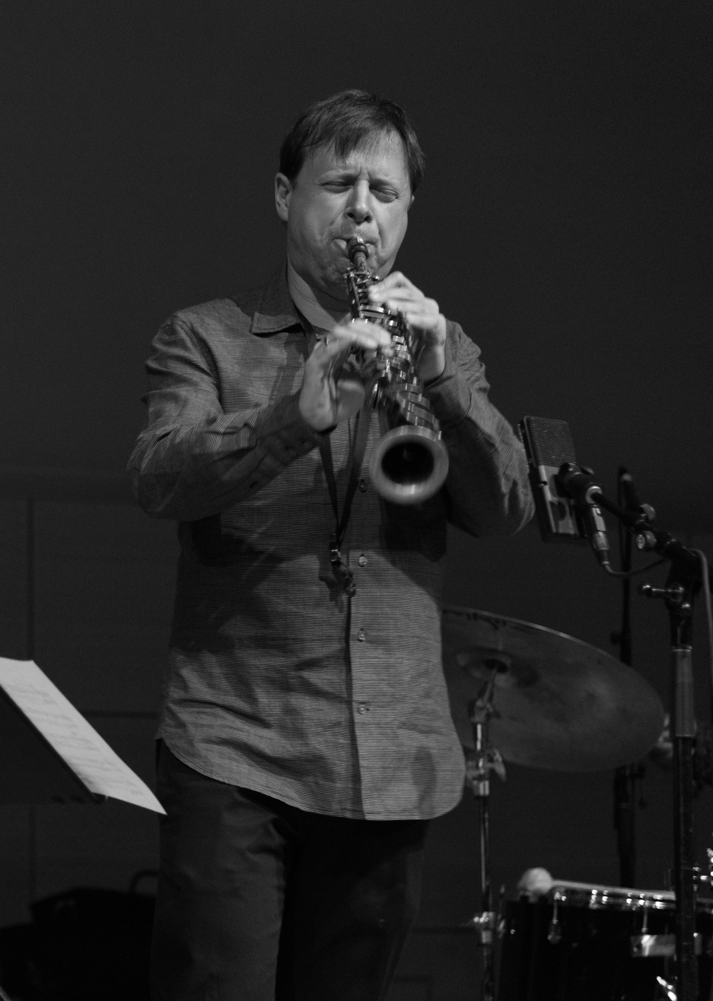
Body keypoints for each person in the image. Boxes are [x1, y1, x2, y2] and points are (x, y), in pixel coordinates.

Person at [126, 90, 533, 999]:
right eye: (339, 184)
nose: (362, 210)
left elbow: (505, 507)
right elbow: (157, 476)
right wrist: (287, 414)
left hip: (391, 760)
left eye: (384, 192)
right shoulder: (206, 335)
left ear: (408, 213)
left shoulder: (445, 346)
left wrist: (441, 384)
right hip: (237, 744)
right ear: (284, 196)